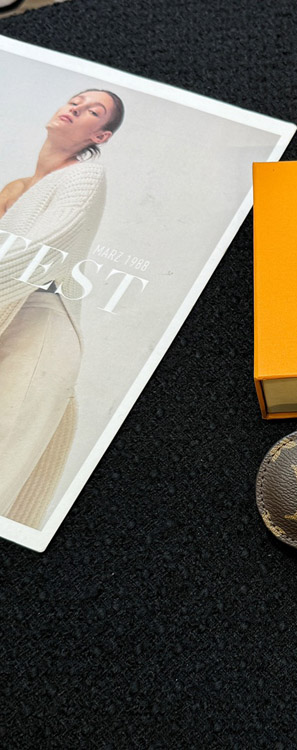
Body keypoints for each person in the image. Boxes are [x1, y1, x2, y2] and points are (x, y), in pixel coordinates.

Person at [0, 89, 124, 528]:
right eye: (76, 100)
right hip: (8, 314)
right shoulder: (17, 188)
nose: (75, 107)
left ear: (101, 135)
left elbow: (42, 251)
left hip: (40, 328)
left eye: (93, 110)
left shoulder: (85, 176)